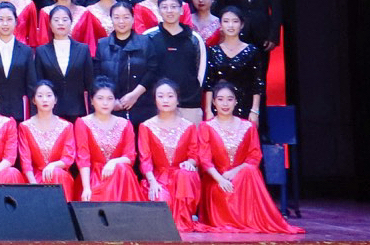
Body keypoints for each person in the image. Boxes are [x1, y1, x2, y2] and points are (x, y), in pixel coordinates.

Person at [198, 81, 302, 233]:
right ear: (214, 102)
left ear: (236, 101)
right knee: (227, 188)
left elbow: (254, 156)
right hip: (217, 179)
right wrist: (220, 179)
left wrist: (235, 172)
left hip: (243, 177)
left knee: (250, 171)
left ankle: (251, 220)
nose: (225, 103)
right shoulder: (205, 127)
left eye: (229, 99)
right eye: (220, 99)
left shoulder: (248, 126)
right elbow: (204, 160)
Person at [138, 80, 205, 232]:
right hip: (158, 178)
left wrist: (190, 163)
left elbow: (194, 155)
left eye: (170, 96)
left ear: (177, 99)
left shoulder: (189, 126)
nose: (165, 100)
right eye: (160, 96)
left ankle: (186, 217)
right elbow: (145, 159)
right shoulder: (146, 126)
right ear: (155, 99)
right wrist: (152, 182)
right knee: (162, 202)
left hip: (181, 179)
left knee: (186, 175)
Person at [76, 79, 144, 201]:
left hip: (120, 178)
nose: (105, 103)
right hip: (94, 177)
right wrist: (86, 188)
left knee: (123, 168)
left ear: (115, 101)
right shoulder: (83, 123)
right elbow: (83, 157)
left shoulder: (125, 124)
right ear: (91, 100)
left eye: (110, 98)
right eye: (100, 98)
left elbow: (130, 156)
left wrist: (113, 162)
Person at [145, 0, 208, 122]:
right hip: (156, 106)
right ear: (158, 10)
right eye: (164, 7)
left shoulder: (194, 38)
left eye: (173, 6)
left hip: (189, 105)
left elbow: (201, 73)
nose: (169, 11)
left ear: (182, 10)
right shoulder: (148, 37)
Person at [18, 80, 77, 198]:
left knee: (57, 174)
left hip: (59, 176)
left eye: (49, 96)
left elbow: (68, 158)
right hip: (34, 177)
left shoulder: (66, 126)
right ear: (34, 100)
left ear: (55, 100)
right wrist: (33, 184)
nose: (44, 99)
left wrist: (53, 166)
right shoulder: (25, 127)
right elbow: (26, 161)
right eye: (40, 96)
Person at [34, 5, 94, 120]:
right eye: (56, 20)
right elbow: (39, 83)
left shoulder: (83, 49)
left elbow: (90, 82)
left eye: (65, 19)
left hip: (78, 110)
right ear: (50, 24)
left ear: (71, 23)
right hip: (50, 111)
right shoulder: (41, 51)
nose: (60, 23)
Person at [97, 1, 153, 124]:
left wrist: (134, 95)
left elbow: (152, 72)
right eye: (116, 17)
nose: (121, 21)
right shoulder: (102, 45)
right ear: (111, 19)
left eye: (126, 17)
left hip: (142, 106)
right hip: (111, 109)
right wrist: (111, 100)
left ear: (133, 19)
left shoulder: (146, 42)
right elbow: (98, 77)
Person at [206, 8, 266, 120]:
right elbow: (209, 83)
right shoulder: (212, 51)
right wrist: (208, 110)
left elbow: (257, 84)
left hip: (246, 106)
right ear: (220, 25)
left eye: (235, 21)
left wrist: (255, 111)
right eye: (226, 21)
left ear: (242, 25)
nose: (230, 25)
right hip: (220, 106)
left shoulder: (252, 51)